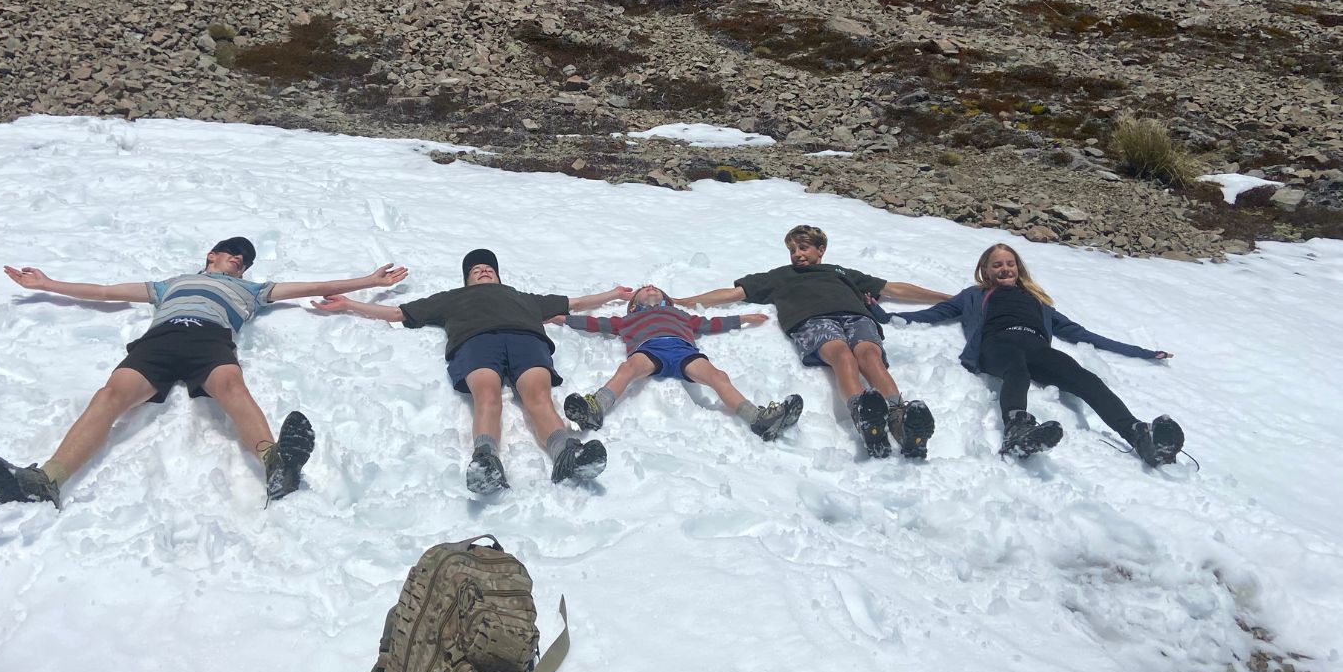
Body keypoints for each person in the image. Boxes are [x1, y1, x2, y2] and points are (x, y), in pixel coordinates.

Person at [0, 236, 408, 508]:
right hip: (160, 341)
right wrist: (48, 284)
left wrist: (366, 280)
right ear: (211, 255)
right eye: (233, 253)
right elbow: (106, 292)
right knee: (109, 397)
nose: (240, 259)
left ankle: (277, 464)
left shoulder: (253, 290)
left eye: (245, 258)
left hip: (209, 339)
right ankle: (45, 480)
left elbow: (313, 287)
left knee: (232, 387)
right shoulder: (170, 284)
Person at [313, 248, 631, 493]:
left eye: (488, 268)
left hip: (526, 339)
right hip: (476, 342)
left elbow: (573, 303)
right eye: (476, 269)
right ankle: (486, 459)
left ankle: (567, 454)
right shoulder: (452, 299)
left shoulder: (522, 297)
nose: (483, 271)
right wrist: (349, 305)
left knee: (538, 397)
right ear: (467, 278)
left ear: (498, 276)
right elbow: (399, 312)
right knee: (487, 396)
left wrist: (614, 295)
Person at [886, 242, 1183, 465]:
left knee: (1085, 379)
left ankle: (1138, 435)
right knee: (1016, 371)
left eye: (1010, 263)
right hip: (997, 344)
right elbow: (935, 314)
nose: (1005, 269)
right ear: (985, 271)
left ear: (1018, 268)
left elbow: (1082, 334)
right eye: (997, 265)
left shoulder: (1038, 302)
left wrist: (1142, 352)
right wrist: (882, 315)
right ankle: (1016, 430)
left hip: (1037, 347)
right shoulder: (974, 295)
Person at [675, 224, 950, 459]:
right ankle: (864, 416)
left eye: (803, 248)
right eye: (792, 250)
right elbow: (735, 293)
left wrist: (948, 298)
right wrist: (682, 301)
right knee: (841, 355)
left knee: (869, 355)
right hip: (812, 320)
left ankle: (899, 418)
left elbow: (892, 288)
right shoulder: (780, 275)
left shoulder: (840, 272)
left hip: (857, 317)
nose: (797, 254)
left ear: (821, 250)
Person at [557, 285, 803, 441]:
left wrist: (743, 318)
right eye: (645, 290)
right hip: (649, 350)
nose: (652, 289)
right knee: (628, 369)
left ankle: (757, 418)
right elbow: (595, 324)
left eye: (656, 289)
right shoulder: (626, 320)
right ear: (633, 305)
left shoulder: (680, 315)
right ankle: (596, 408)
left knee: (718, 377)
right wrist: (563, 319)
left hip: (683, 351)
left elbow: (711, 324)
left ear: (667, 301)